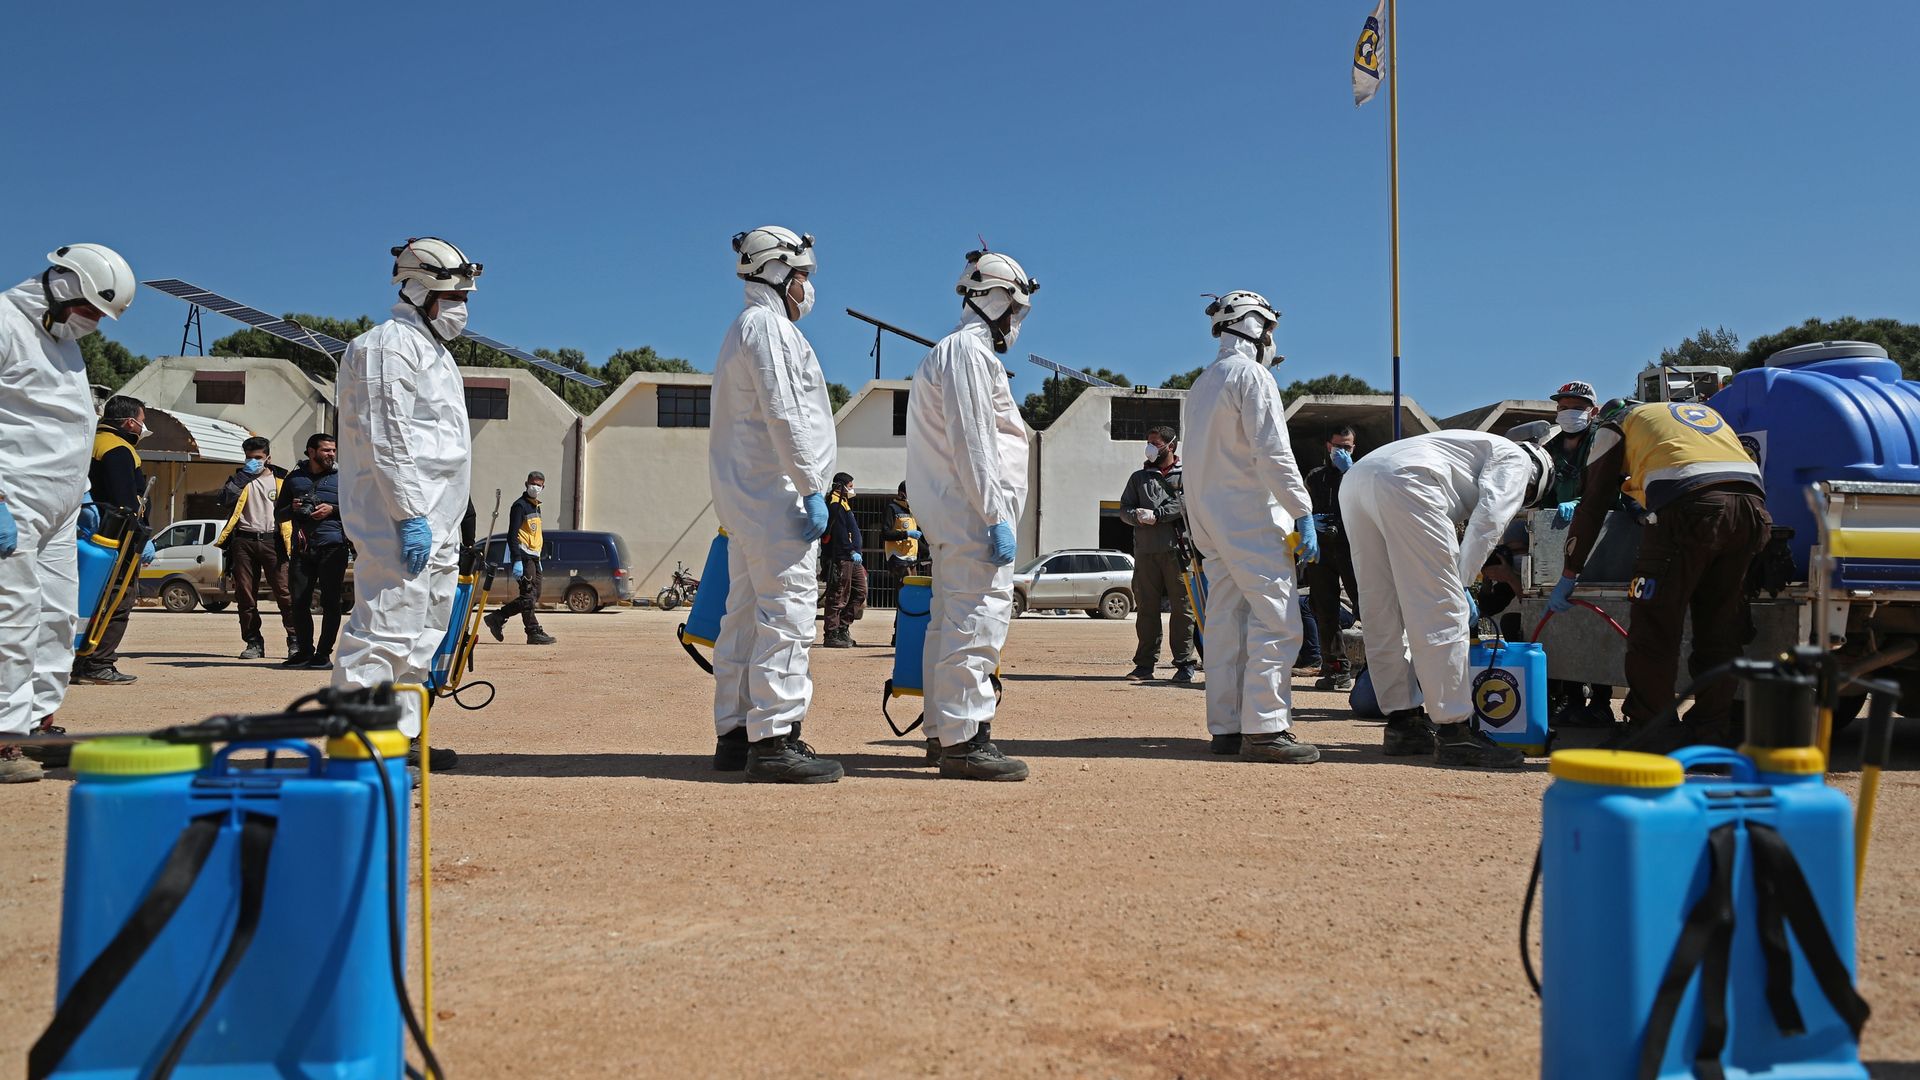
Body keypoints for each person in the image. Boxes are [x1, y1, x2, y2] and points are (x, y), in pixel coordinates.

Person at [333, 237, 480, 769]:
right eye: (452, 296)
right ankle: (359, 746)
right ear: (417, 290)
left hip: (437, 522)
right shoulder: (384, 347)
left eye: (465, 296)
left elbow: (441, 448)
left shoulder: (433, 353)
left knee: (424, 635)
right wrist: (409, 515)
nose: (460, 309)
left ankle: (402, 738)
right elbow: (387, 438)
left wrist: (445, 519)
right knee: (385, 629)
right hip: (398, 520)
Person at [1552, 398, 1771, 748]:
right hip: (1751, 510)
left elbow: (1593, 503)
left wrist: (1569, 572)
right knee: (1721, 629)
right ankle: (1710, 735)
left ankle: (1649, 731)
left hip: (1688, 511)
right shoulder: (1694, 415)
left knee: (1654, 627)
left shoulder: (1615, 425)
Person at [708, 226, 842, 783]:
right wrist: (812, 486)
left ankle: (736, 734)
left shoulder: (746, 328)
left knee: (742, 617)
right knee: (786, 616)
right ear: (777, 272)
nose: (807, 288)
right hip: (778, 499)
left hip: (750, 503)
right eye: (803, 276)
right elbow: (787, 413)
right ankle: (776, 739)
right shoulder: (768, 330)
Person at [1340, 429, 1557, 768]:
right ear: (1535, 481)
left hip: (1357, 479)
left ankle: (1404, 722)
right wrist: (1459, 584)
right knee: (1442, 610)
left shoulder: (1472, 446)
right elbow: (1489, 521)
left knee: (1382, 606)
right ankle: (1456, 732)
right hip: (1409, 481)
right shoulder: (1518, 461)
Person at [0, 244, 136, 783]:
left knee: (57, 617)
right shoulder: (4, 321)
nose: (96, 326)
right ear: (62, 286)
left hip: (60, 503)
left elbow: (71, 424)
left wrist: (79, 493)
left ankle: (38, 722)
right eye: (92, 312)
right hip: (13, 497)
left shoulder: (63, 343)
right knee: (10, 616)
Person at [904, 248, 1038, 781]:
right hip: (972, 515)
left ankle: (944, 731)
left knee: (949, 622)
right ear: (999, 299)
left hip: (959, 514)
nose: (1017, 322)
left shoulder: (959, 353)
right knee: (976, 621)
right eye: (1017, 310)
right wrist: (993, 515)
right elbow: (975, 441)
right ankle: (966, 741)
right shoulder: (968, 354)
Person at [1183, 290, 1321, 764]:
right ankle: (1265, 728)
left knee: (1225, 624)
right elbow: (1272, 452)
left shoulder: (1202, 383)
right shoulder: (1252, 376)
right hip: (1251, 517)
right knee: (1277, 623)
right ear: (1255, 325)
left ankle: (1227, 726)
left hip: (1211, 523)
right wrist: (1300, 510)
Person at [1540, 381, 1618, 727]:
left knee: (1596, 621)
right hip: (1554, 535)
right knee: (1563, 626)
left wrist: (1583, 504)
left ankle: (1600, 701)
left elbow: (1617, 488)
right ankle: (1571, 699)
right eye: (1562, 406)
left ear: (1593, 411)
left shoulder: (1603, 441)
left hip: (1599, 537)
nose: (1568, 412)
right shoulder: (1551, 447)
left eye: (1576, 406)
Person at [71, 395, 156, 686]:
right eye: (142, 421)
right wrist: (143, 536)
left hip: (88, 536)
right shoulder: (119, 449)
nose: (143, 427)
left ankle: (79, 659)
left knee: (88, 599)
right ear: (130, 422)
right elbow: (126, 502)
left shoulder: (90, 442)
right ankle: (99, 663)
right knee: (119, 599)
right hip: (118, 540)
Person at [1120, 425, 1198, 683]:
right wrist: (1137, 517)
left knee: (1183, 610)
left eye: (1155, 443)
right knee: (1146, 610)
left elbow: (1187, 502)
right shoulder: (1139, 478)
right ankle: (1144, 664)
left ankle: (1185, 663)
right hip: (1146, 553)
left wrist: (1159, 515)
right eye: (1148, 442)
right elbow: (1124, 509)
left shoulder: (1187, 476)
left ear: (1171, 446)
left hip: (1178, 552)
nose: (1150, 447)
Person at [276, 432, 351, 669]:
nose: (331, 454)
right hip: (302, 548)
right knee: (298, 602)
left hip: (333, 547)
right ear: (311, 451)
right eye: (326, 450)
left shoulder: (344, 478)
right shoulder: (294, 478)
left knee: (331, 602)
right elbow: (279, 514)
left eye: (333, 450)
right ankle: (305, 652)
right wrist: (294, 507)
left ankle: (323, 654)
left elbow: (359, 510)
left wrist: (333, 510)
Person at [218, 436, 296, 660]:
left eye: (258, 458)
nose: (254, 462)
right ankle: (253, 642)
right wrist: (244, 476)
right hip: (243, 541)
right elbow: (223, 500)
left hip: (275, 541)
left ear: (268, 457)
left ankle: (295, 641)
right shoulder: (239, 479)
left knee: (285, 592)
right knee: (245, 594)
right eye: (249, 458)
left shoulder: (283, 479)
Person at [1304, 426, 1362, 691]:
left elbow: (1365, 502)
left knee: (1366, 605)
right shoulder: (1316, 477)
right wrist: (1312, 524)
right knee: (1324, 609)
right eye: (1338, 447)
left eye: (1347, 447)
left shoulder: (1360, 474)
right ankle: (1335, 668)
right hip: (1323, 549)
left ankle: (1376, 668)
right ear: (1328, 446)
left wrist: (1349, 471)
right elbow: (1304, 506)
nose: (1342, 452)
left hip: (1353, 547)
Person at [483, 470, 557, 646]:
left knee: (533, 595)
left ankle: (498, 617)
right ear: (526, 484)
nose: (535, 487)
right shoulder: (520, 506)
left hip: (534, 557)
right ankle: (532, 631)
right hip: (523, 557)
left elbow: (534, 534)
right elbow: (512, 535)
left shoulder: (536, 506)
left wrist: (538, 558)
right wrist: (517, 559)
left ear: (543, 487)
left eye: (539, 485)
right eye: (533, 483)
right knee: (528, 594)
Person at [820, 471, 867, 648]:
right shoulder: (835, 503)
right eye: (850, 486)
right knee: (838, 594)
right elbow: (839, 534)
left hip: (852, 558)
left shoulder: (844, 503)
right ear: (841, 485)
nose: (851, 489)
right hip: (842, 557)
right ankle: (831, 634)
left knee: (859, 592)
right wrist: (850, 550)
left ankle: (842, 627)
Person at [880, 482, 928, 579]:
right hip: (898, 557)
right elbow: (886, 534)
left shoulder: (911, 510)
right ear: (902, 494)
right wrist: (907, 533)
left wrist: (926, 551)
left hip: (911, 557)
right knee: (904, 587)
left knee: (913, 589)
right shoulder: (892, 508)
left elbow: (913, 539)